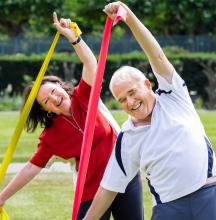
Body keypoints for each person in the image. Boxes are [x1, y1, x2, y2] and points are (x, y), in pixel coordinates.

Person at [0, 12, 144, 220]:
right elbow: (31, 167)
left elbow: (90, 63)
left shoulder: (83, 96)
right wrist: (2, 197)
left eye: (52, 91)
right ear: (46, 110)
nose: (52, 98)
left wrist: (74, 38)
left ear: (59, 85)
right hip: (92, 190)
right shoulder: (51, 136)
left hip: (124, 175)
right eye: (45, 101)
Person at [84, 2, 216, 220]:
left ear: (147, 84)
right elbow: (108, 188)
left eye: (132, 92)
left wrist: (128, 17)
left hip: (209, 196)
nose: (130, 101)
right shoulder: (127, 137)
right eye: (122, 99)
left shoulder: (173, 95)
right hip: (169, 208)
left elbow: (156, 55)